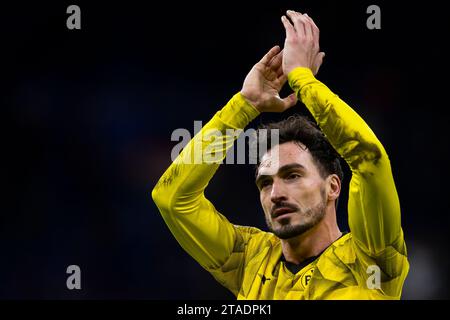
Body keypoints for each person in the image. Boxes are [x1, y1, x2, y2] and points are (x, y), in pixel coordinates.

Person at [152, 10, 409, 299]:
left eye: (292, 175)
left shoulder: (371, 260)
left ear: (333, 187)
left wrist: (302, 78)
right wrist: (245, 105)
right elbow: (172, 198)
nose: (275, 193)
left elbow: (368, 157)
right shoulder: (251, 260)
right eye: (265, 183)